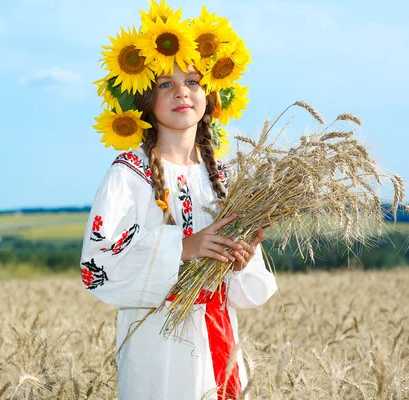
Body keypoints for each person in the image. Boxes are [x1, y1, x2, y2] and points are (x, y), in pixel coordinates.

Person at [81, 2, 278, 399]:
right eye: (165, 84)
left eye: (192, 80)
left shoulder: (224, 178)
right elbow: (95, 267)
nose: (182, 92)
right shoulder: (128, 174)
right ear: (144, 101)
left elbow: (245, 292)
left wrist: (238, 261)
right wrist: (182, 247)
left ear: (211, 94)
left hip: (219, 335)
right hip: (157, 343)